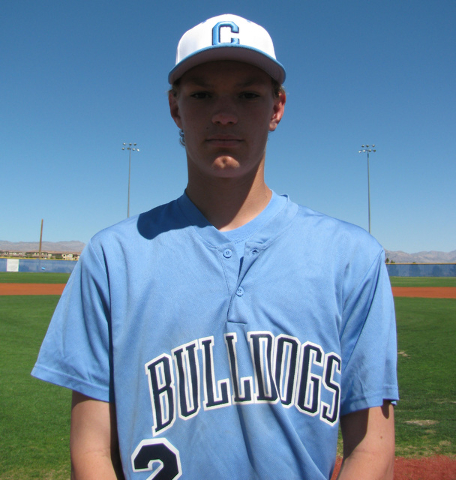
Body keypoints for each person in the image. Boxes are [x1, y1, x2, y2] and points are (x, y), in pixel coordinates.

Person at [32, 14, 399, 480]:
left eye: (247, 95)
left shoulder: (352, 257)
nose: (224, 113)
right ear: (174, 108)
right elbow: (90, 451)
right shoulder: (112, 257)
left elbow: (373, 447)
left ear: (277, 107)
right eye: (202, 95)